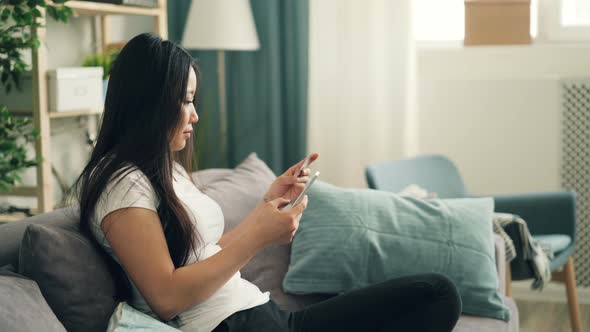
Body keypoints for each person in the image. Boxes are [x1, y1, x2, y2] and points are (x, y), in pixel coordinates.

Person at [71, 33, 461, 332]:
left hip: (262, 315)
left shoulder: (162, 169)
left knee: (436, 294)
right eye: (186, 100)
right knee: (436, 295)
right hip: (233, 326)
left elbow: (201, 255)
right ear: (151, 103)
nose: (195, 116)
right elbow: (167, 297)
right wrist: (258, 235)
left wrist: (264, 210)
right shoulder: (122, 185)